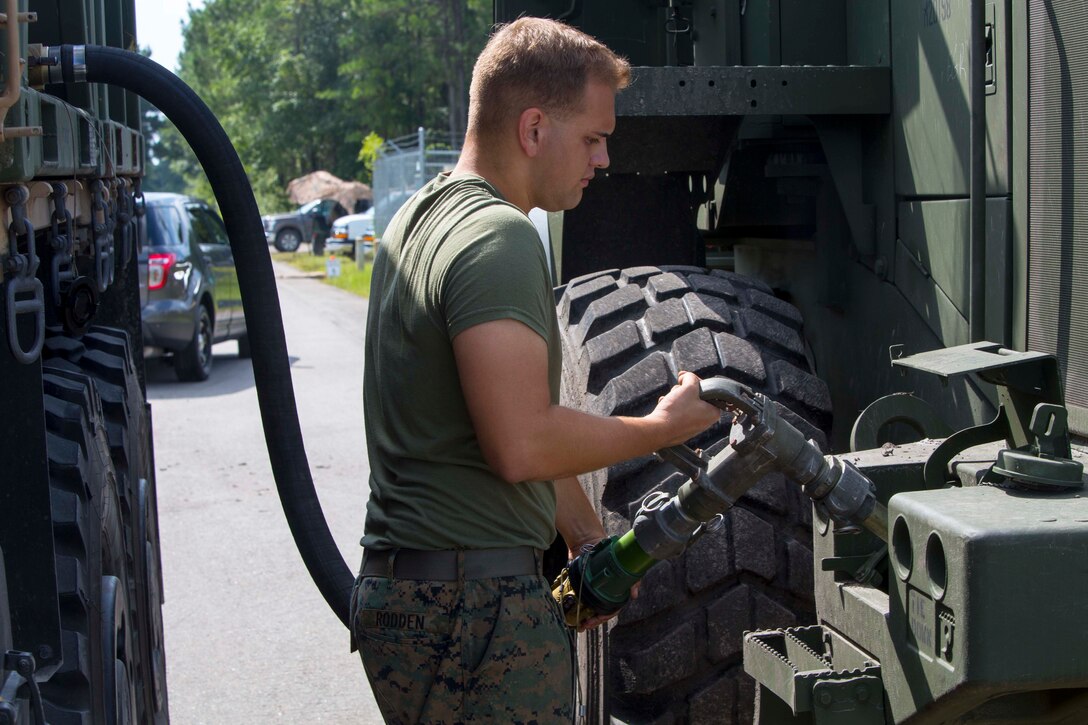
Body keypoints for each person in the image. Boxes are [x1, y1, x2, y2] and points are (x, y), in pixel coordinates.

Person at [352, 16, 720, 724]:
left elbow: (494, 419)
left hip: (422, 596)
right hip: (473, 610)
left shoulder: (418, 218)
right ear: (532, 130)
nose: (604, 158)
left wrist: (582, 533)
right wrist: (657, 427)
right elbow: (521, 443)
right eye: (591, 137)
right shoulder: (499, 238)